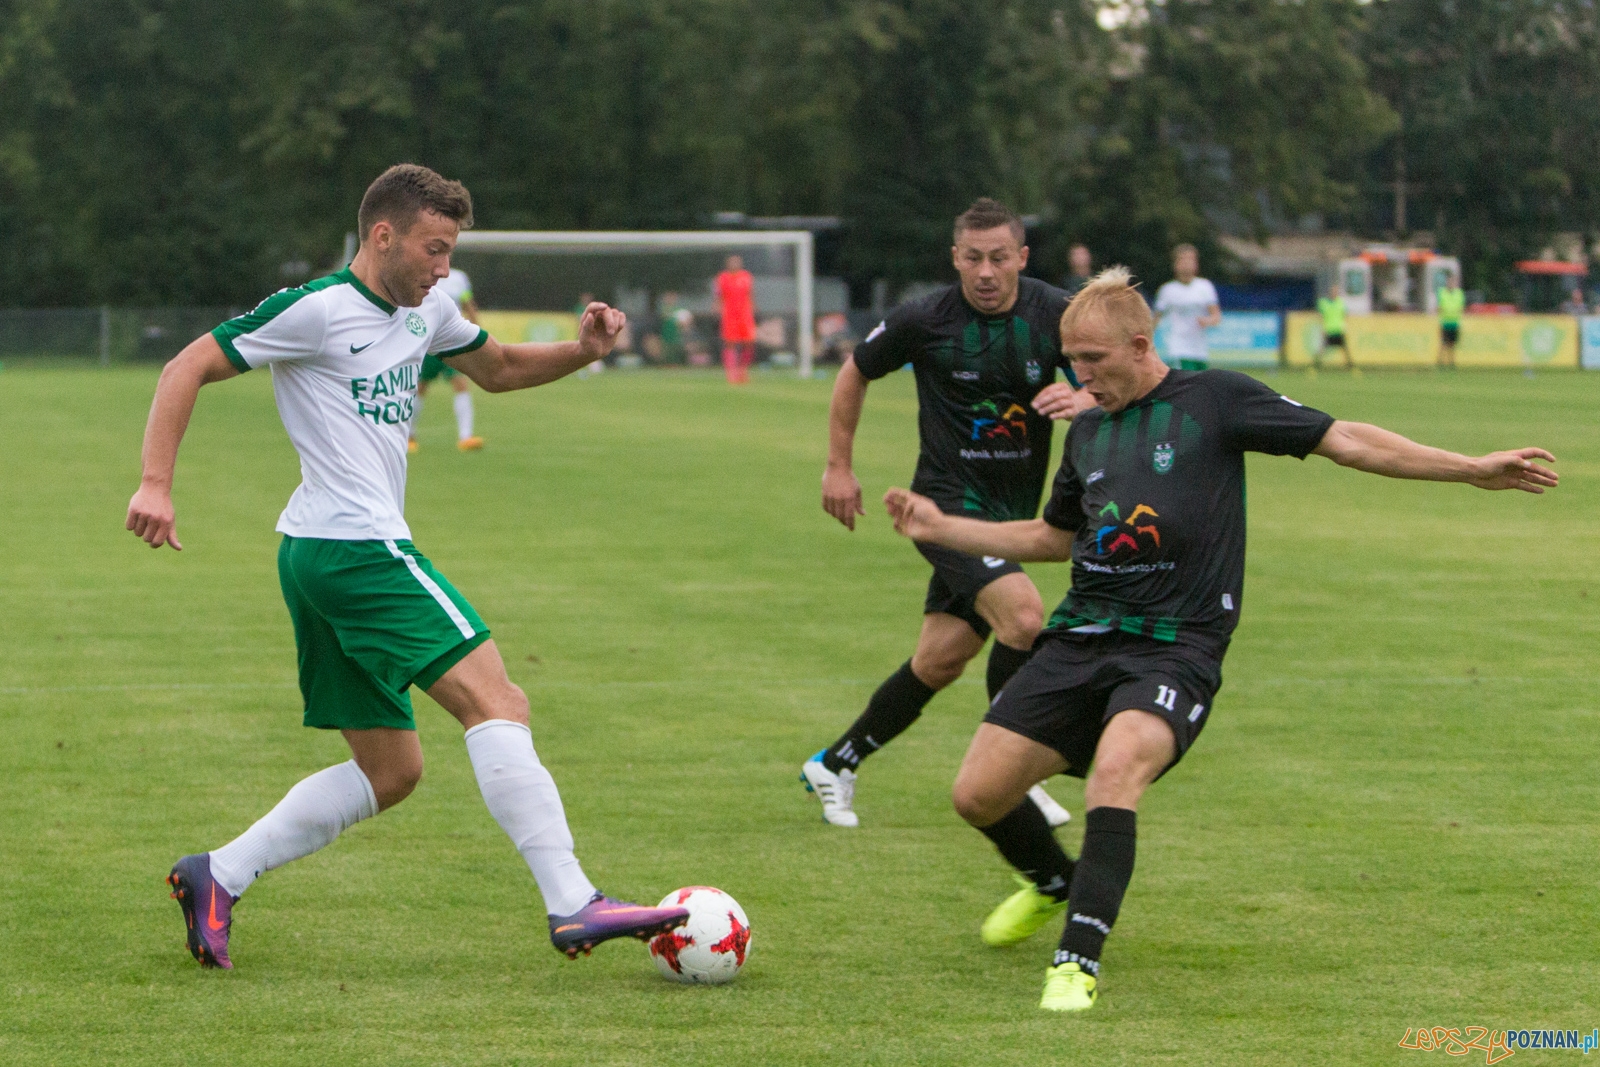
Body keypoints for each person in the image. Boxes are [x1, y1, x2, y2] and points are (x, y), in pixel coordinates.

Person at [882, 267, 1557, 1013]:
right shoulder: (1090, 429)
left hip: (1175, 647)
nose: (1079, 376)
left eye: (1094, 360)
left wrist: (1469, 469)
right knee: (976, 794)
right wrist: (945, 527)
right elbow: (1053, 535)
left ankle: (1076, 962)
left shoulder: (1216, 400)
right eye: (1072, 359)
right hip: (1081, 640)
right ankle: (1053, 884)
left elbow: (1349, 441)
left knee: (1116, 775)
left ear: (1141, 345)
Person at [127, 164, 690, 970]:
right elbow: (186, 366)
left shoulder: (428, 311)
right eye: (433, 248)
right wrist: (155, 483)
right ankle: (573, 898)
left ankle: (218, 873)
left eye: (450, 250)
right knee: (499, 698)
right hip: (357, 549)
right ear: (382, 235)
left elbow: (495, 369)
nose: (442, 266)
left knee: (391, 770)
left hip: (316, 553)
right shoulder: (318, 310)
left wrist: (584, 348)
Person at [806, 198, 1091, 830]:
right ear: (955, 258)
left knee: (939, 660)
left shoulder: (1058, 314)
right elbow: (855, 372)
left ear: (1021, 256)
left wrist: (1081, 394)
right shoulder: (924, 318)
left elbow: (1117, 376)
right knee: (1022, 616)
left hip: (1009, 517)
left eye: (998, 258)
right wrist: (838, 467)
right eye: (972, 258)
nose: (985, 272)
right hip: (942, 509)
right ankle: (1012, 775)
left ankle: (836, 762)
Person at [408, 266, 484, 452]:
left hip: (452, 342)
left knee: (460, 383)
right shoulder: (420, 274)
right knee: (420, 387)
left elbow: (467, 304)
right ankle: (409, 436)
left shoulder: (459, 277)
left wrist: (477, 332)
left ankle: (466, 437)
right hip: (427, 342)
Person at [1152, 244, 1221, 370]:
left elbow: (1216, 316)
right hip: (1177, 349)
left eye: (1191, 260)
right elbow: (1155, 320)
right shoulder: (1167, 290)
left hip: (1200, 350)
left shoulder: (1205, 287)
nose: (1187, 264)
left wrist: (1207, 321)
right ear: (1175, 264)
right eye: (1183, 260)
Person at [715, 255, 758, 384]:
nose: (734, 264)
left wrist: (753, 309)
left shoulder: (746, 277)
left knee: (748, 342)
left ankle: (743, 370)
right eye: (732, 262)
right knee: (730, 343)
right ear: (727, 264)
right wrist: (718, 309)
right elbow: (718, 296)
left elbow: (751, 294)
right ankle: (731, 373)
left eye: (737, 262)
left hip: (745, 314)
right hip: (729, 315)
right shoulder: (722, 278)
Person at [1315, 283, 1353, 370]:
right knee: (1323, 348)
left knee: (1344, 348)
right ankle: (1317, 365)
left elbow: (1345, 315)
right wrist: (1322, 327)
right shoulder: (1323, 303)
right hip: (1328, 329)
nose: (1334, 293)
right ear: (1330, 292)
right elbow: (1320, 316)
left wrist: (1344, 326)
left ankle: (1350, 366)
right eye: (1333, 291)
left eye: (1336, 291)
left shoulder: (1341, 303)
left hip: (1339, 329)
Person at [1437, 271, 1465, 368]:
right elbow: (1440, 307)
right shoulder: (1442, 292)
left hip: (1455, 322)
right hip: (1445, 322)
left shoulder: (1459, 293)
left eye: (1452, 282)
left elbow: (1461, 307)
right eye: (1449, 281)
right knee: (1443, 343)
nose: (1451, 283)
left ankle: (1451, 362)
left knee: (1452, 344)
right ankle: (1440, 361)